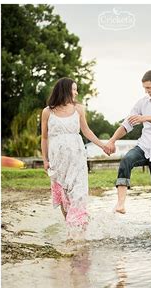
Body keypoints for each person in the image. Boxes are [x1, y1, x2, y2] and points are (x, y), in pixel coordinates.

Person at [104, 70, 151, 236]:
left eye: (149, 88)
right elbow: (127, 124)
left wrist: (145, 118)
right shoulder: (142, 102)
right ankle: (120, 204)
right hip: (145, 146)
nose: (146, 91)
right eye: (144, 88)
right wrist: (112, 140)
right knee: (127, 160)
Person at [41, 77, 111, 231]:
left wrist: (103, 145)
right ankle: (71, 228)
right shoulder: (47, 111)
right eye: (73, 89)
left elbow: (86, 131)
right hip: (57, 161)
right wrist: (45, 159)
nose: (76, 92)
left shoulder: (79, 109)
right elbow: (44, 137)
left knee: (78, 194)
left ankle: (80, 231)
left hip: (77, 158)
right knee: (64, 196)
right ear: (64, 90)